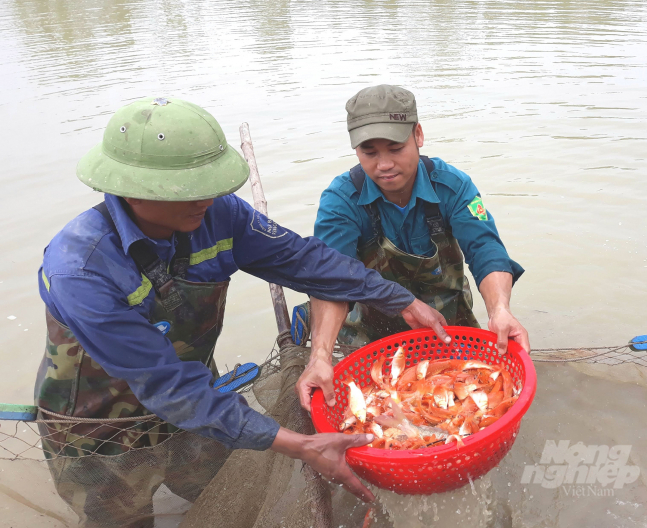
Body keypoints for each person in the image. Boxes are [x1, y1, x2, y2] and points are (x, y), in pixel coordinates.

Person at [35, 96, 453, 526]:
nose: (211, 197)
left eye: (213, 184)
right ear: (134, 193)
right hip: (99, 429)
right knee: (121, 519)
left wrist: (398, 298)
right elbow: (169, 387)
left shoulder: (219, 214)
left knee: (228, 501)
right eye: (193, 189)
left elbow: (307, 262)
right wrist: (299, 444)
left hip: (199, 398)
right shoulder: (80, 270)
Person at [301, 85, 529, 403]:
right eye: (370, 152)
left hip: (448, 327)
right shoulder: (342, 200)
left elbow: (485, 249)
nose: (384, 164)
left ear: (418, 136)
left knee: (471, 403)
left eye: (395, 148)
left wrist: (500, 310)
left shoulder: (452, 186)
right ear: (356, 150)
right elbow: (330, 281)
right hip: (372, 335)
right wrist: (321, 354)